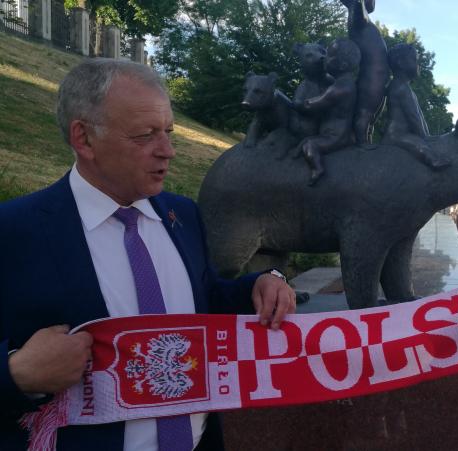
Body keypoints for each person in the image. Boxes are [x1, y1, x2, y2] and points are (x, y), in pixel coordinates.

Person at [0, 59, 297, 450]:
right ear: (84, 139)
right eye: (145, 135)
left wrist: (261, 284)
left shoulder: (183, 215)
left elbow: (203, 300)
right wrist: (17, 375)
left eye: (168, 132)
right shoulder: (15, 230)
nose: (168, 151)